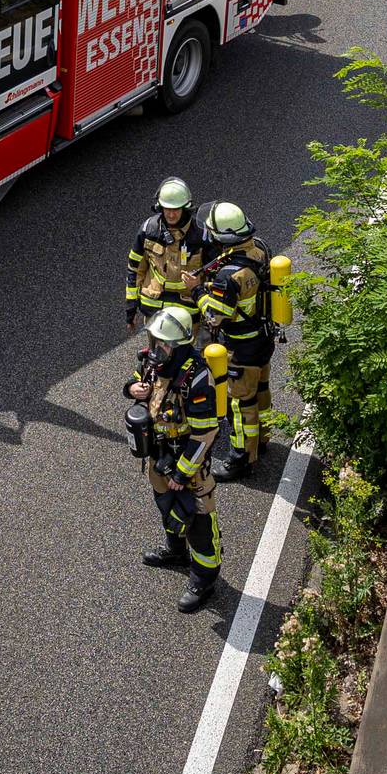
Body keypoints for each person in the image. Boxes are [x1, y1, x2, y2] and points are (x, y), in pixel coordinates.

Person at [127, 305, 224, 612]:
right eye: (154, 341)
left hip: (187, 466)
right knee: (166, 506)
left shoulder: (196, 376)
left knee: (197, 518)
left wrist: (182, 475)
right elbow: (135, 381)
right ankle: (175, 551)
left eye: (161, 343)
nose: (155, 349)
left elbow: (205, 434)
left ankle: (204, 578)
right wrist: (131, 389)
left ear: (177, 346)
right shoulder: (154, 362)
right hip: (159, 456)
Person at [193, 202, 278, 481]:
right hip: (264, 338)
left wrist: (197, 293)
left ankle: (240, 459)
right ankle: (262, 440)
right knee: (262, 391)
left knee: (240, 406)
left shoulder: (228, 275)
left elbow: (216, 316)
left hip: (241, 347)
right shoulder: (260, 249)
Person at [124, 177, 206, 330]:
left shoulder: (200, 235)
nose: (171, 214)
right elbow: (135, 269)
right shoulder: (148, 230)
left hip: (187, 312)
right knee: (158, 352)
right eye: (167, 209)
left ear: (185, 208)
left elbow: (212, 274)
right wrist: (131, 307)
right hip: (154, 308)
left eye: (175, 209)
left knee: (185, 354)